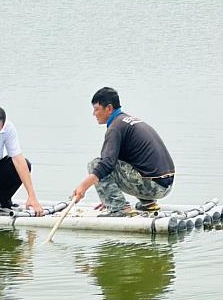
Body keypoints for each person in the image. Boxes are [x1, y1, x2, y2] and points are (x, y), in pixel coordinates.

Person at [72, 87, 175, 217]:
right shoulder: (127, 121)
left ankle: (119, 209)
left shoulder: (116, 127)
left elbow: (106, 164)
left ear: (109, 109)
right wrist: (108, 195)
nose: (94, 114)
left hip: (154, 186)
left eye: (96, 109)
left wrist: (83, 187)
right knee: (115, 162)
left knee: (95, 164)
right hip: (165, 185)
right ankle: (148, 204)